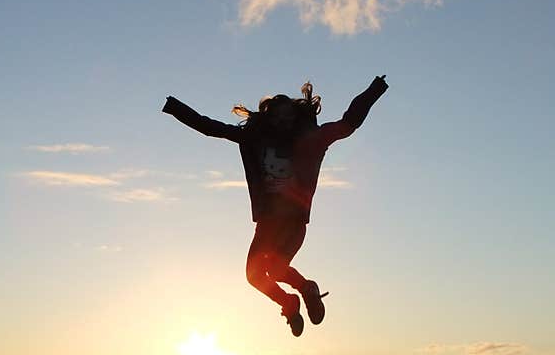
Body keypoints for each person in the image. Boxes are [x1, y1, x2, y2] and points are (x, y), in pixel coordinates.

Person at [162, 75, 389, 336]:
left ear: (296, 118)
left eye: (288, 117)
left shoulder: (312, 140)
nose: (282, 122)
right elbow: (210, 127)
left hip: (293, 221)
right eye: (277, 117)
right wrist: (174, 107)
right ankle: (290, 302)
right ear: (268, 119)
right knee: (254, 275)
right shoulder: (253, 139)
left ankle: (306, 289)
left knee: (277, 268)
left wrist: (374, 89)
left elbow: (347, 124)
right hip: (267, 225)